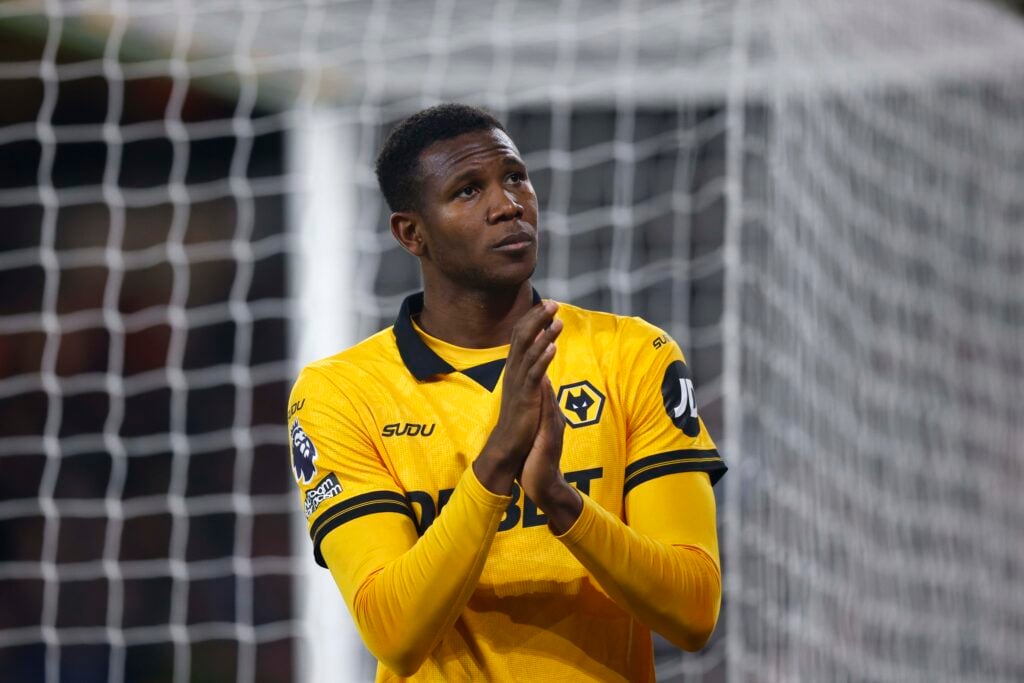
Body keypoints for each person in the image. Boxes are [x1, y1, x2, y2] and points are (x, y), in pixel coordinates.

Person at [288, 103, 726, 682]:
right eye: (468, 191)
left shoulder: (632, 356)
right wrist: (498, 462)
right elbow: (394, 633)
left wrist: (558, 498)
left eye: (515, 177)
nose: (508, 206)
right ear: (411, 233)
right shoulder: (340, 393)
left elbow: (694, 613)